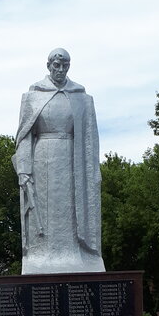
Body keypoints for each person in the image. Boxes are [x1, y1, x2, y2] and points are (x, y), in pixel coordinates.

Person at [13, 48, 105, 274]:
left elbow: (90, 138)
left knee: (72, 208)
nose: (60, 70)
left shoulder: (81, 97)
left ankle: (79, 255)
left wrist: (92, 172)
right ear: (48, 65)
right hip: (42, 158)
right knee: (45, 210)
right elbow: (24, 137)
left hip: (74, 160)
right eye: (56, 65)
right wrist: (24, 170)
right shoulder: (34, 96)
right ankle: (42, 257)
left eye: (65, 66)